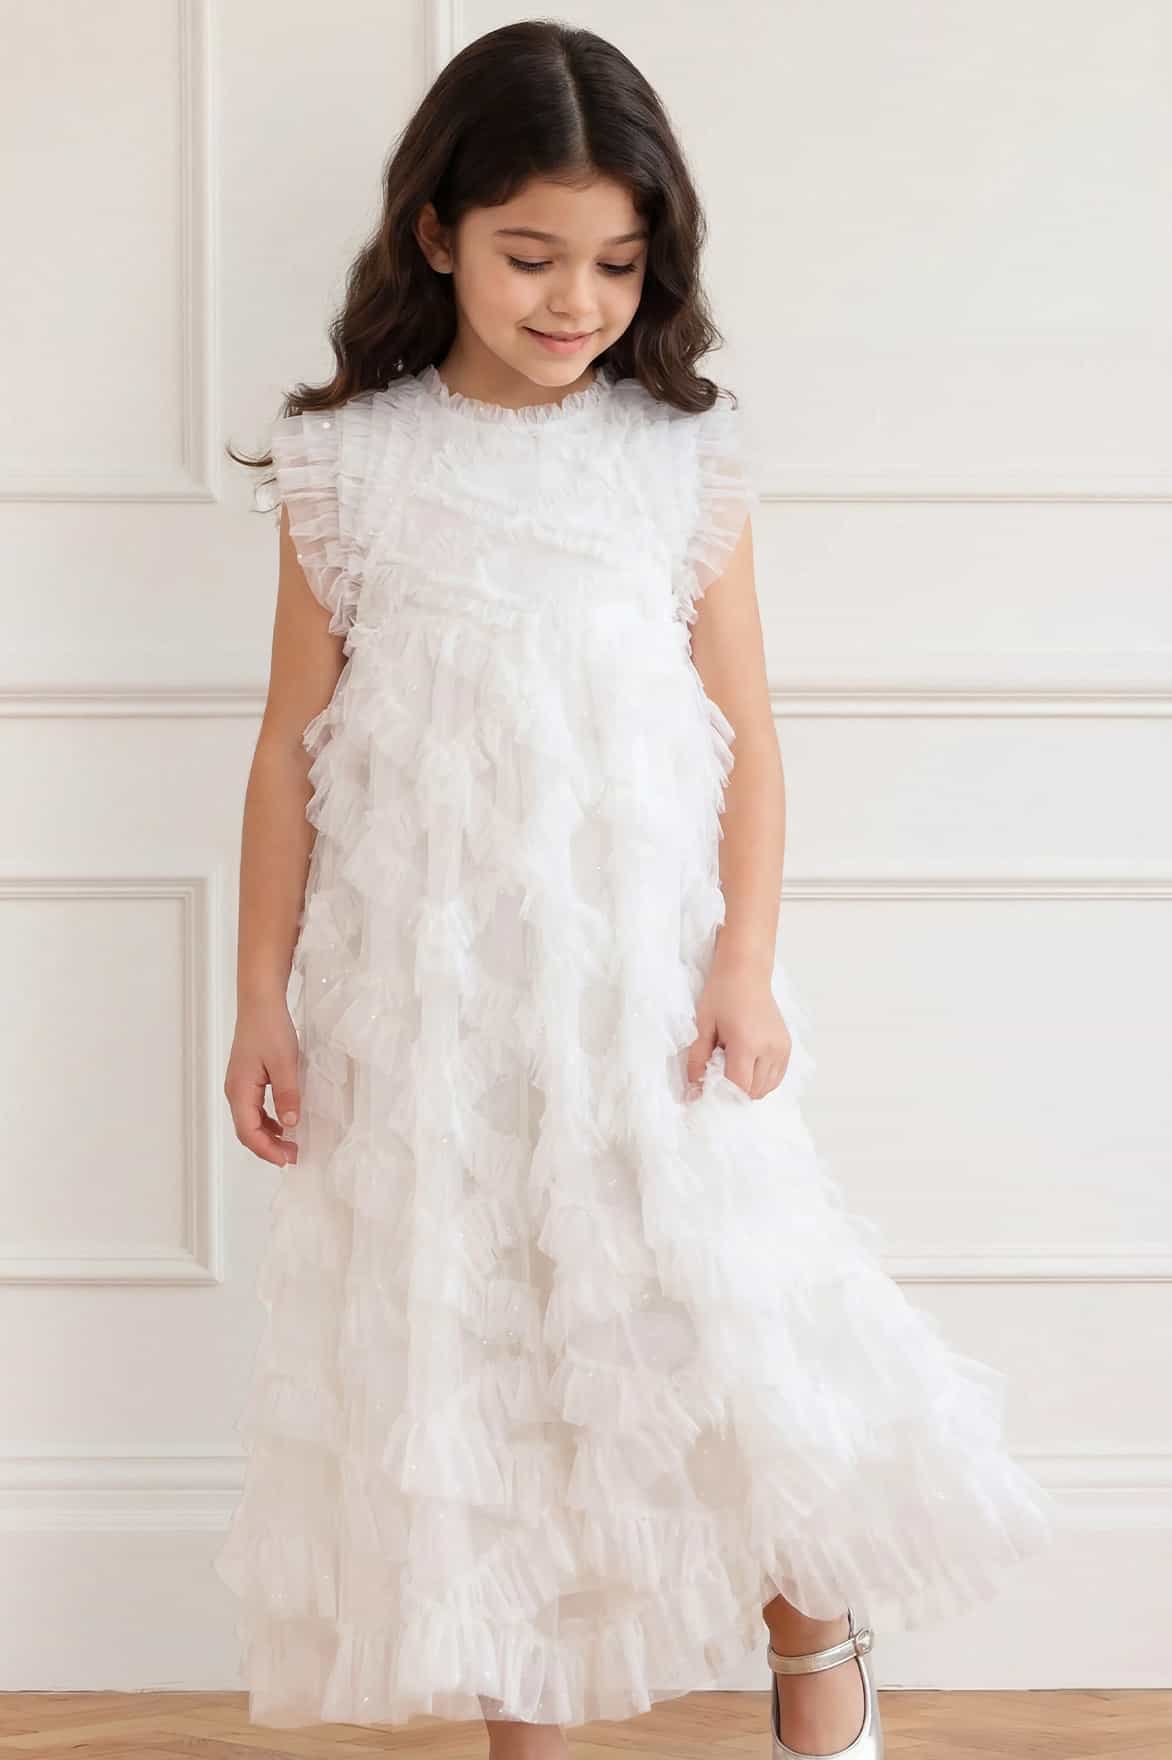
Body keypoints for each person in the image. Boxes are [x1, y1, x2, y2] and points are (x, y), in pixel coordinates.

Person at [213, 20, 1057, 1759]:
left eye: (615, 263)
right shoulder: (349, 466)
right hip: (427, 1000)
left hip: (647, 985)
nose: (576, 300)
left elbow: (748, 736)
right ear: (437, 232)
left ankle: (817, 1638)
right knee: (483, 1351)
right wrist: (258, 998)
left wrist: (744, 963)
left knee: (720, 1316)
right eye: (532, 255)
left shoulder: (680, 458)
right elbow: (291, 743)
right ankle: (529, 1724)